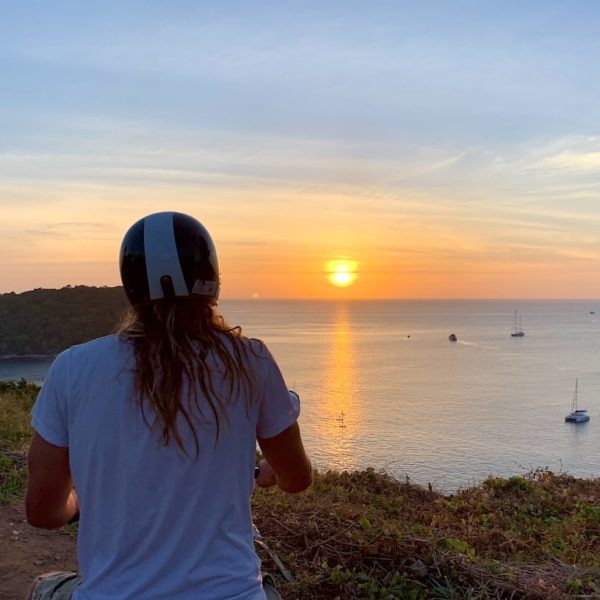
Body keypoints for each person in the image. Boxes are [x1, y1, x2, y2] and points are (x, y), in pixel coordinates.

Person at [26, 211, 313, 600]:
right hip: (233, 594)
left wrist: (79, 502)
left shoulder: (72, 367)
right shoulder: (252, 362)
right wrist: (267, 472)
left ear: (131, 286)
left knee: (45, 587)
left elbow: (43, 513)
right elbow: (297, 479)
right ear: (211, 279)